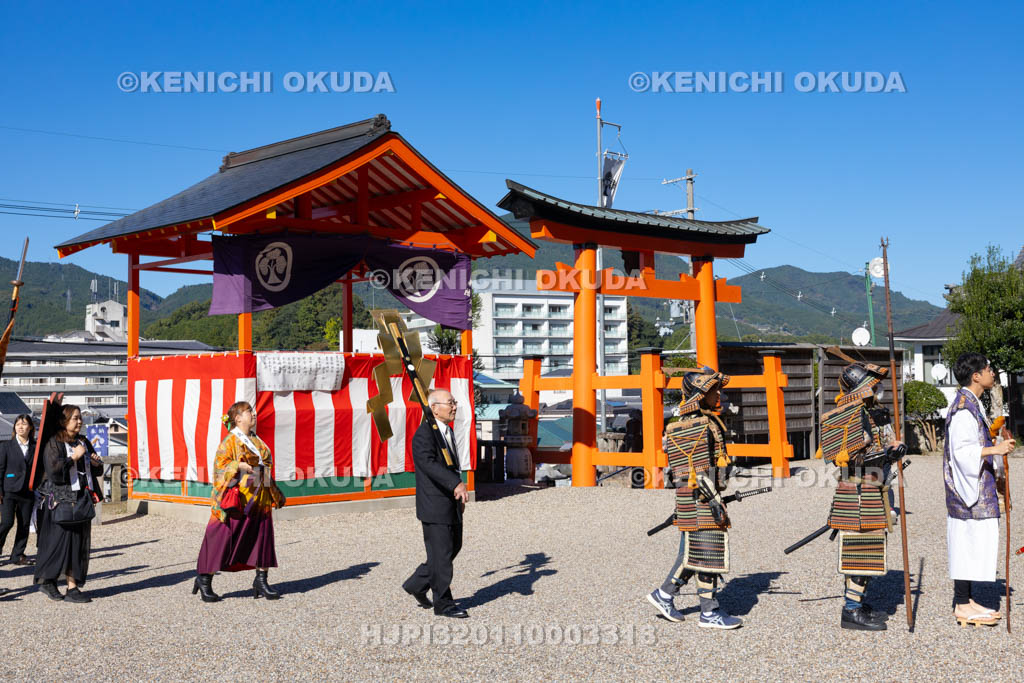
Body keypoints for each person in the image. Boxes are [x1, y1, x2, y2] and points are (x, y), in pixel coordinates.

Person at [647, 367, 743, 629]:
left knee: (693, 552)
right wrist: (715, 499)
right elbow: (700, 471)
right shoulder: (701, 425)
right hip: (701, 497)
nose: (718, 394)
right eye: (713, 390)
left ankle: (665, 594)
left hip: (691, 497)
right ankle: (709, 613)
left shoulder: (682, 424)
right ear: (701, 394)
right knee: (707, 553)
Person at [818, 360, 904, 631]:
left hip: (876, 487)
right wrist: (887, 454)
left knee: (871, 549)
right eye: (871, 385)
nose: (876, 390)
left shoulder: (874, 412)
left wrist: (893, 449)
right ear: (859, 387)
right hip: (857, 490)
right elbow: (851, 461)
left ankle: (858, 603)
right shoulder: (847, 416)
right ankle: (851, 610)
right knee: (860, 552)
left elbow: (883, 444)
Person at [944, 353, 1015, 626]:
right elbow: (961, 452)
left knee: (971, 541)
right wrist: (995, 449)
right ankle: (962, 604)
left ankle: (966, 599)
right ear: (976, 376)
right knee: (967, 541)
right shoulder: (963, 407)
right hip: (967, 491)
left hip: (976, 483)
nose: (992, 373)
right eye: (988, 369)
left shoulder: (972, 403)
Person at [194, 401, 286, 602]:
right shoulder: (230, 441)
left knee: (262, 538)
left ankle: (261, 579)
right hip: (238, 499)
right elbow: (220, 468)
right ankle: (204, 578)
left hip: (259, 496)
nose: (253, 414)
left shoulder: (257, 440)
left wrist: (274, 490)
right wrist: (238, 464)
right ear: (237, 418)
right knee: (222, 537)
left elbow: (266, 464)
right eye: (248, 412)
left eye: (252, 411)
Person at [402, 389, 470, 618]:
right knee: (441, 555)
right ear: (434, 408)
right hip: (434, 503)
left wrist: (457, 492)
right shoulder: (424, 435)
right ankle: (444, 604)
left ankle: (416, 584)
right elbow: (429, 465)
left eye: (454, 402)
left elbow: (451, 465)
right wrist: (455, 484)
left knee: (451, 548)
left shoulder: (446, 431)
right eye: (450, 403)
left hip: (450, 501)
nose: (454, 406)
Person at [33, 405, 103, 603]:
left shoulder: (83, 441)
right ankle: (48, 580)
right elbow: (54, 472)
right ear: (64, 421)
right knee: (57, 543)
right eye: (75, 418)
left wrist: (97, 463)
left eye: (80, 418)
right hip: (60, 499)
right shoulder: (54, 442)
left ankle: (72, 587)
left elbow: (94, 471)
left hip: (81, 498)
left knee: (78, 543)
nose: (79, 421)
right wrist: (74, 457)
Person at [0, 415, 37, 566]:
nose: (20, 427)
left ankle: (17, 555)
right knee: (7, 522)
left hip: (27, 490)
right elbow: (0, 469)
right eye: (18, 424)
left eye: (24, 424)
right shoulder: (6, 446)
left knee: (24, 524)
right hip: (8, 490)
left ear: (30, 428)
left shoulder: (35, 447)